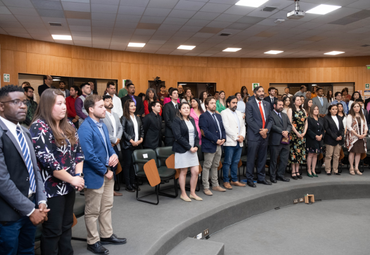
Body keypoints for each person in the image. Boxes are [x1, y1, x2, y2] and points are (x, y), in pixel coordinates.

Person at [30, 89, 84, 255]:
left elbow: (79, 153)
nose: (64, 107)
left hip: (68, 186)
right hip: (51, 190)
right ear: (47, 105)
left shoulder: (68, 125)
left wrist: (78, 176)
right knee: (53, 230)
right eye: (59, 104)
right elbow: (49, 162)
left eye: (63, 104)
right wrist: (73, 179)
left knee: (67, 225)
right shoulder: (39, 127)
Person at [0, 85, 49, 255]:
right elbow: (2, 181)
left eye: (25, 102)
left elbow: (35, 169)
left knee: (27, 250)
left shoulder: (25, 132)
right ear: (1, 106)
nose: (23, 106)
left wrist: (41, 201)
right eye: (16, 102)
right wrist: (29, 209)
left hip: (32, 206)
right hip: (8, 215)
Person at [78, 95, 125, 255]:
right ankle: (93, 241)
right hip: (95, 174)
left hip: (107, 171)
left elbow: (109, 146)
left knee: (106, 207)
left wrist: (114, 156)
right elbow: (89, 155)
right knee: (92, 211)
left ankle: (106, 235)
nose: (105, 109)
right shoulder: (85, 128)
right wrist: (106, 171)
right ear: (91, 109)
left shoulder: (102, 125)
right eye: (101, 107)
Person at [172, 102, 201, 202]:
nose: (186, 109)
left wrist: (196, 146)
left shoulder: (192, 120)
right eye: (184, 108)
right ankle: (183, 194)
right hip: (183, 150)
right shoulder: (176, 120)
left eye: (188, 108)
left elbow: (196, 134)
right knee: (183, 172)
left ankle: (192, 193)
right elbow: (178, 136)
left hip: (193, 149)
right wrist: (189, 147)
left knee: (195, 171)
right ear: (179, 110)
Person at [199, 97, 226, 196]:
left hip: (219, 144)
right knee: (207, 166)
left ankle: (215, 184)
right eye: (211, 103)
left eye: (215, 103)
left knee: (215, 165)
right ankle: (206, 187)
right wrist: (216, 140)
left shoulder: (218, 116)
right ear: (206, 105)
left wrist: (223, 138)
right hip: (210, 144)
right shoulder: (203, 116)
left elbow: (222, 129)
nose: (214, 105)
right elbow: (204, 132)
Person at [245, 86, 272, 187]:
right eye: (259, 91)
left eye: (263, 91)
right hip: (254, 135)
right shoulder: (249, 104)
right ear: (255, 93)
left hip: (265, 135)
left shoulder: (267, 104)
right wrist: (260, 131)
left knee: (262, 158)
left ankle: (261, 177)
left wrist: (266, 130)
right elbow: (249, 120)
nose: (261, 93)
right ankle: (250, 179)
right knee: (251, 158)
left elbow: (270, 119)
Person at [221, 96, 246, 189]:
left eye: (236, 103)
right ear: (228, 103)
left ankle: (234, 180)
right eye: (233, 103)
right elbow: (226, 127)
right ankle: (226, 181)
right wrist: (236, 137)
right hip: (230, 142)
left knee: (235, 162)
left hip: (239, 142)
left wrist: (242, 136)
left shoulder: (239, 113)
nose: (235, 104)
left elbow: (243, 126)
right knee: (227, 162)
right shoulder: (224, 113)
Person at [102, 95, 123, 196]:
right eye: (107, 101)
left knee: (115, 166)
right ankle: (109, 190)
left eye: (110, 100)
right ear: (103, 103)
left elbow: (120, 127)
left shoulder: (115, 115)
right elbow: (103, 130)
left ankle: (112, 189)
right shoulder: (102, 115)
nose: (110, 102)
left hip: (116, 144)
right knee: (108, 166)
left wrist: (118, 139)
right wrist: (114, 139)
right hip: (108, 144)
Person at [121, 99, 144, 192]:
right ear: (127, 107)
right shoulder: (124, 118)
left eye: (134, 105)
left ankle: (133, 183)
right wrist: (131, 140)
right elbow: (123, 131)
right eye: (131, 106)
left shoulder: (137, 118)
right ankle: (128, 184)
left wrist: (141, 139)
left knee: (134, 165)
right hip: (128, 145)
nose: (134, 107)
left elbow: (141, 129)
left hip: (137, 144)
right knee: (128, 165)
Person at [268, 99, 291, 183]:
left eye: (282, 105)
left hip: (285, 140)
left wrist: (287, 131)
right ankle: (272, 176)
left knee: (284, 159)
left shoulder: (284, 115)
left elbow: (289, 125)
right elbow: (272, 126)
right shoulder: (270, 114)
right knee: (274, 160)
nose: (281, 106)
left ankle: (280, 175)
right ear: (274, 106)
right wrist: (282, 131)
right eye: (279, 105)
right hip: (275, 141)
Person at [287, 95, 308, 180]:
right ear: (294, 101)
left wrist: (304, 132)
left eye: (300, 100)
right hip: (294, 134)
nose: (299, 101)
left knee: (300, 153)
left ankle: (298, 170)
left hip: (302, 135)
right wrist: (297, 133)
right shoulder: (290, 110)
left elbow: (306, 122)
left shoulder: (303, 110)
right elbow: (290, 123)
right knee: (294, 153)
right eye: (298, 100)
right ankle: (293, 171)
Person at [346, 102, 368, 175]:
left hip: (361, 137)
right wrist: (357, 135)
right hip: (353, 137)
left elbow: (366, 126)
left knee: (358, 153)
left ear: (360, 107)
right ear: (352, 108)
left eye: (358, 106)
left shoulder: (362, 116)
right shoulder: (350, 116)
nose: (356, 108)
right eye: (355, 107)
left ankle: (356, 168)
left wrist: (364, 134)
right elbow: (349, 127)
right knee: (352, 152)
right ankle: (351, 167)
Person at [324, 105, 344, 175]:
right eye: (333, 109)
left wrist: (341, 136)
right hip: (330, 139)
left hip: (339, 139)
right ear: (329, 110)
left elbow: (342, 128)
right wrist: (335, 137)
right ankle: (328, 170)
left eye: (336, 109)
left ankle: (335, 170)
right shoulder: (326, 118)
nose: (335, 110)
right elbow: (327, 129)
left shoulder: (339, 117)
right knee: (329, 155)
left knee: (337, 155)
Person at [306, 105, 324, 177]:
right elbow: (308, 129)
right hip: (311, 139)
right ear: (311, 110)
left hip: (319, 140)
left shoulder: (320, 119)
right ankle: (309, 170)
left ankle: (313, 170)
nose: (316, 110)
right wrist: (315, 136)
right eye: (314, 109)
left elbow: (323, 130)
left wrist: (321, 136)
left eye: (317, 109)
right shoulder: (309, 119)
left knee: (316, 155)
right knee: (310, 154)